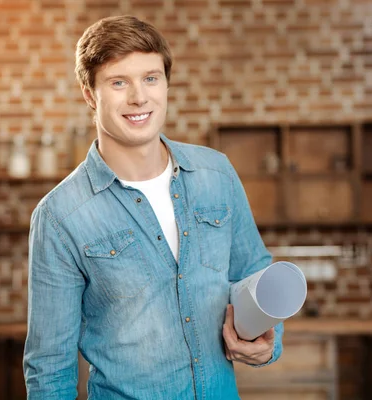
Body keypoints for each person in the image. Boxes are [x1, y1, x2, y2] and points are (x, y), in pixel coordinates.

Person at [23, 15, 284, 400]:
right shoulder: (60, 216)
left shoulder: (217, 173)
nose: (139, 97)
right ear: (90, 95)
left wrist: (266, 345)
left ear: (165, 83)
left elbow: (255, 275)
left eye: (150, 78)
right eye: (118, 82)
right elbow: (49, 371)